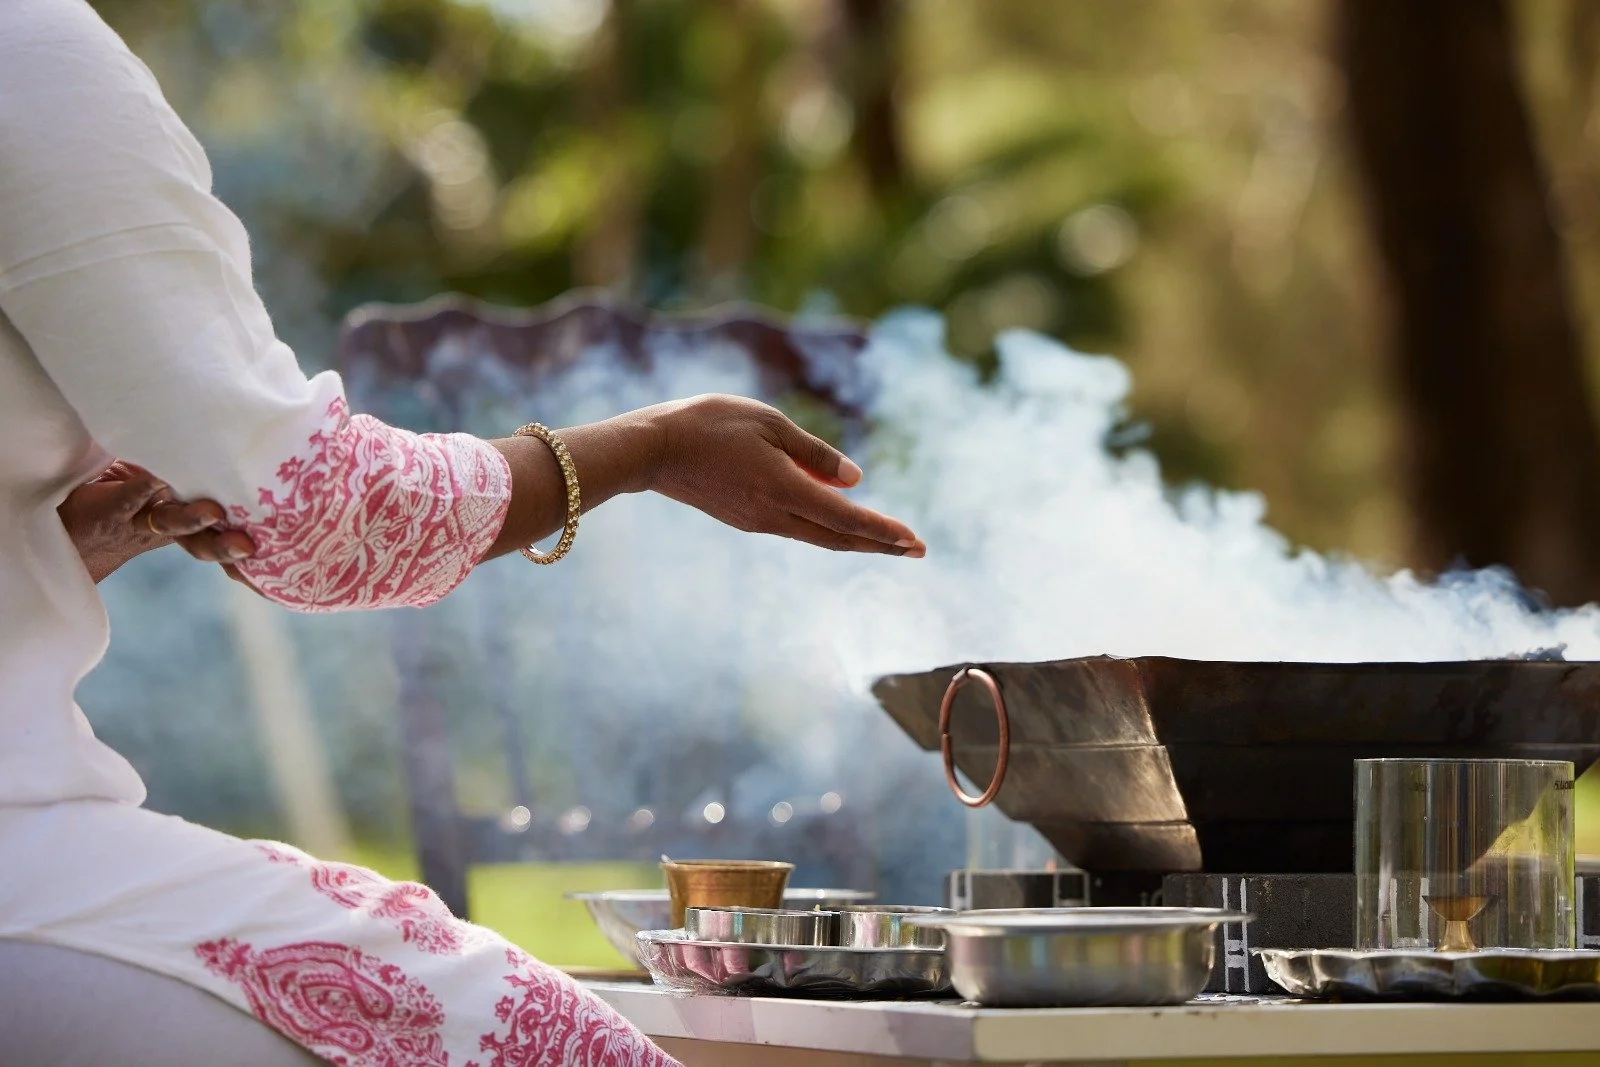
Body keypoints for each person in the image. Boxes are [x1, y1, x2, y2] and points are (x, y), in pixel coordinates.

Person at [0, 2, 925, 1065]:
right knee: (562, 1043)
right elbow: (321, 515)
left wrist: (42, 565)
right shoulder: (31, 51)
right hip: (22, 864)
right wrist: (650, 449)